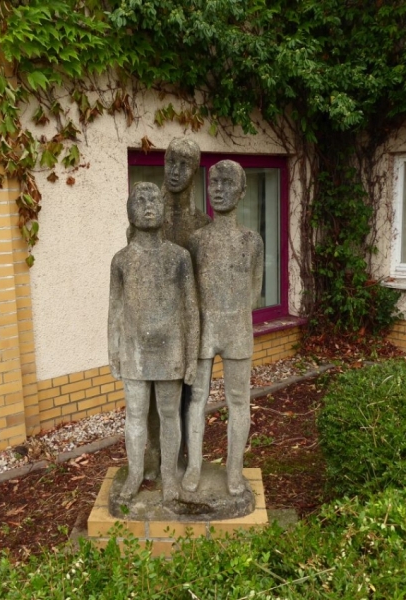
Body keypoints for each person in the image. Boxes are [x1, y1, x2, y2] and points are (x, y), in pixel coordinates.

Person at [108, 182, 199, 501]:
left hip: (170, 348)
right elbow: (116, 308)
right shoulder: (121, 260)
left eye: (154, 199)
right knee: (134, 413)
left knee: (170, 414)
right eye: (140, 200)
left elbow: (191, 309)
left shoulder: (179, 257)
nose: (148, 205)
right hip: (134, 350)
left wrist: (190, 356)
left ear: (163, 207)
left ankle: (169, 477)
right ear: (130, 211)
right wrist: (114, 349)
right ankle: (134, 474)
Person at [183, 160, 264, 496]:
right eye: (213, 182)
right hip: (204, 328)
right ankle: (193, 467)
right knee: (196, 400)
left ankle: (234, 470)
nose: (217, 189)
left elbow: (255, 289)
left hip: (236, 329)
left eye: (227, 183)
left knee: (238, 400)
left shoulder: (252, 241)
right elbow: (190, 291)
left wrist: (234, 313)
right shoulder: (196, 240)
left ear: (242, 191)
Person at [138, 138, 210, 480]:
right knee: (153, 402)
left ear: (195, 171)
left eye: (183, 164)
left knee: (189, 398)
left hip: (191, 327)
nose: (174, 171)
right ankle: (155, 459)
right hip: (155, 330)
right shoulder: (147, 220)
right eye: (170, 162)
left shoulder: (202, 225)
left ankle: (185, 461)